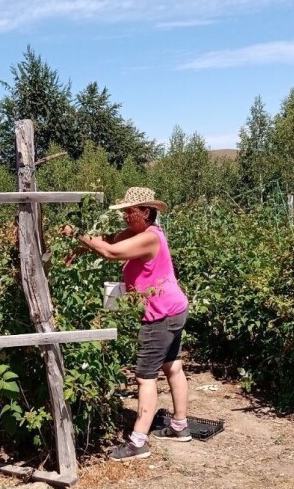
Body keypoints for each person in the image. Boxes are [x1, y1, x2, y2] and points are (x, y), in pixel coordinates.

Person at [61, 187, 191, 461]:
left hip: (160, 314)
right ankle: (180, 426)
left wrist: (75, 233)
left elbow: (109, 251)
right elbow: (108, 239)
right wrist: (80, 248)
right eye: (123, 211)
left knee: (145, 378)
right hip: (174, 308)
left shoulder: (149, 238)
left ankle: (137, 443)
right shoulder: (141, 233)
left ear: (145, 212)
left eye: (129, 212)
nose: (124, 217)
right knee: (173, 367)